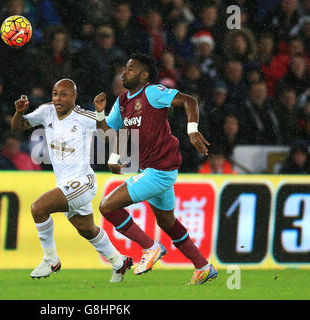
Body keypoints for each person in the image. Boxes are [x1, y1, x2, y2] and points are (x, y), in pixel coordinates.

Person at [93, 53, 217, 285]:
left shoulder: (151, 92)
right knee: (167, 222)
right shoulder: (122, 101)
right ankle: (203, 266)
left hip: (159, 171)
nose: (125, 72)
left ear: (144, 75)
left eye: (131, 68)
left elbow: (189, 101)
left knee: (107, 206)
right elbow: (108, 132)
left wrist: (192, 130)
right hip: (155, 169)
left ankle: (150, 247)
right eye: (125, 68)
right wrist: (100, 114)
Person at [11, 79, 132, 282]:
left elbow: (107, 134)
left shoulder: (83, 116)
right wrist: (19, 112)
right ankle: (119, 262)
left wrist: (101, 112)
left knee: (38, 208)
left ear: (74, 97)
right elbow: (18, 127)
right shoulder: (46, 111)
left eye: (64, 94)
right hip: (65, 184)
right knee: (86, 229)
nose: (58, 98)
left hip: (82, 182)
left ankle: (51, 259)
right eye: (55, 93)